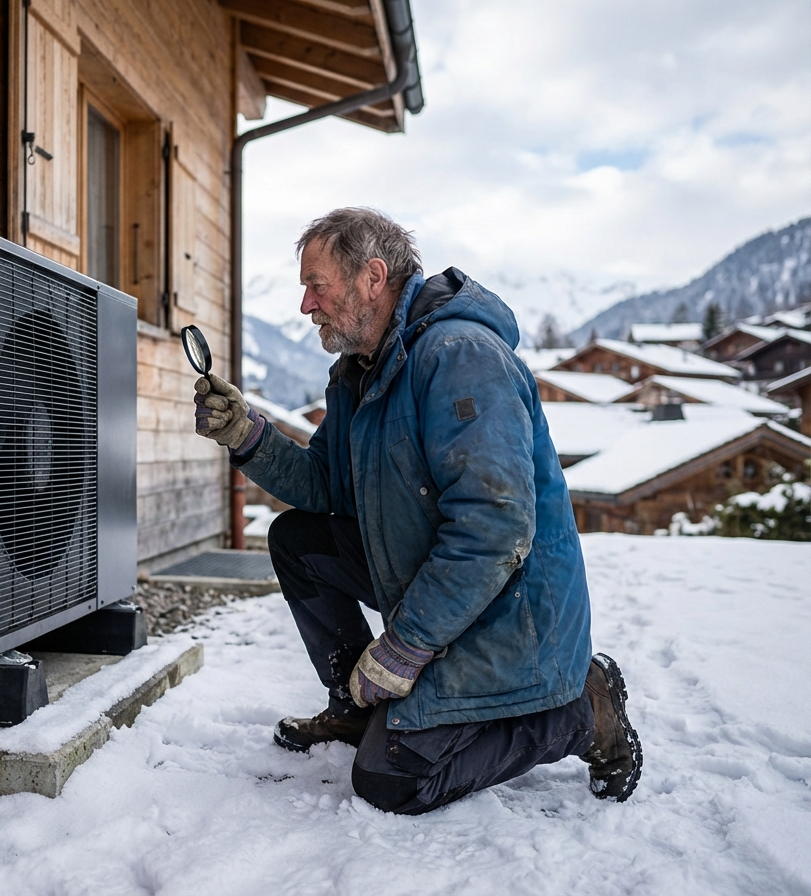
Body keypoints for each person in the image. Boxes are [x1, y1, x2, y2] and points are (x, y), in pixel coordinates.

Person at [192, 208, 642, 815]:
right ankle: (357, 708)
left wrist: (404, 646)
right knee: (299, 538)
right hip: (444, 588)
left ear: (372, 278)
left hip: (509, 616)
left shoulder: (461, 359)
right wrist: (247, 435)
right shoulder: (361, 370)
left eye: (316, 285)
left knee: (390, 781)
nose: (305, 305)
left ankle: (579, 712)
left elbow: (495, 528)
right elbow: (326, 484)